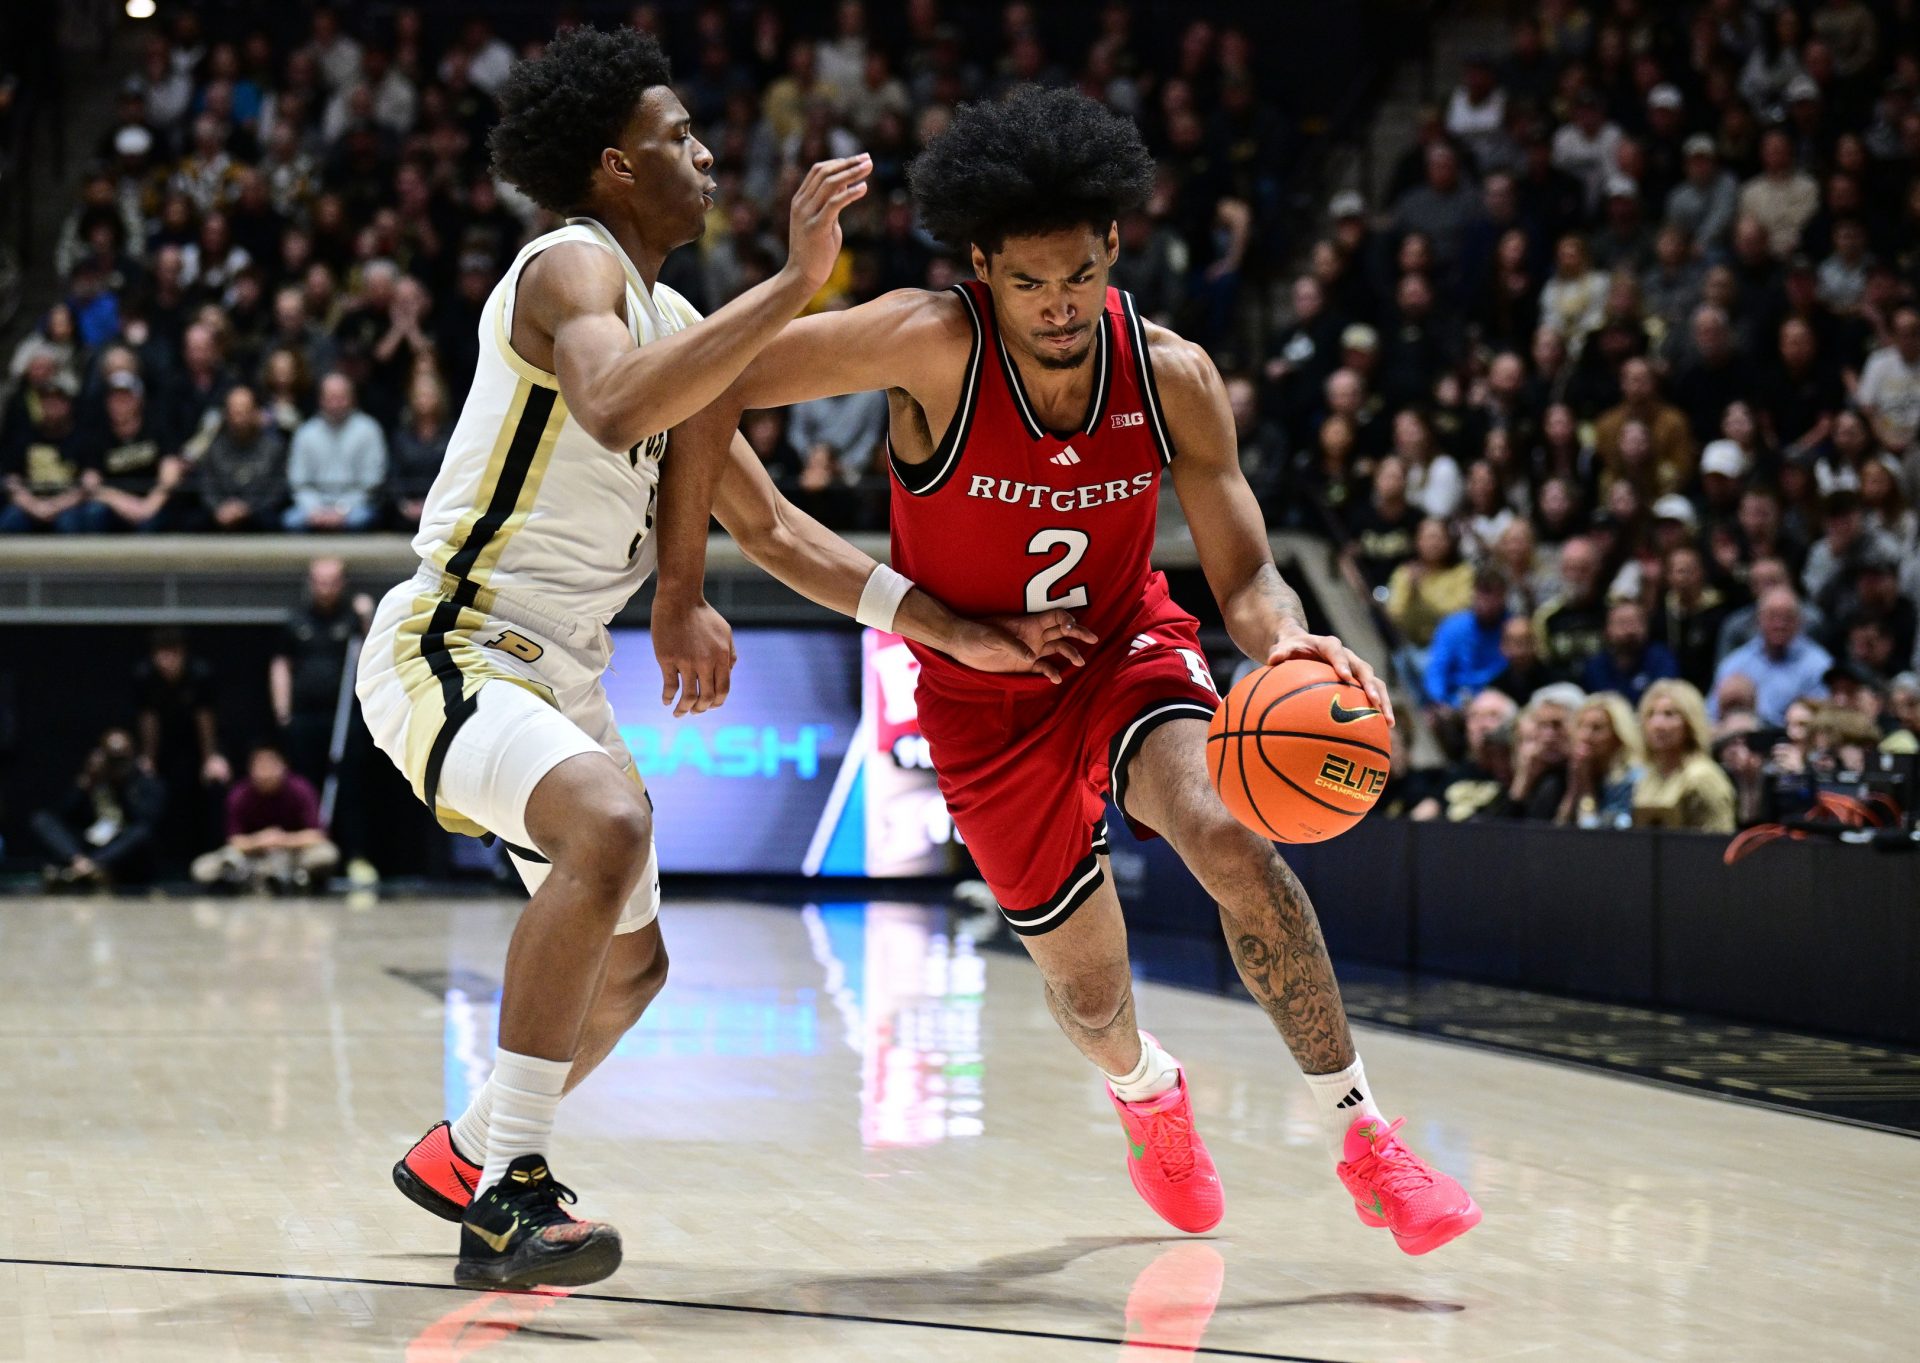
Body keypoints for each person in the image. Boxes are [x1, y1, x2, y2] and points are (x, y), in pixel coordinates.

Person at [358, 29, 1073, 1292]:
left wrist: (956, 631)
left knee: (632, 968)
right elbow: (619, 404)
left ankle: (465, 1152)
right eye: (678, 136)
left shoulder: (676, 315)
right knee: (609, 822)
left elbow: (778, 529)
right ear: (612, 166)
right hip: (454, 643)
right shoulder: (567, 264)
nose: (703, 153)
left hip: (555, 668)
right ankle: (512, 1192)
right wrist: (798, 281)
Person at [707, 85, 1477, 1255]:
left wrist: (1289, 638)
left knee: (1236, 842)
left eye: (1079, 275)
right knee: (1091, 996)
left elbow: (1251, 571)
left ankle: (1367, 1134)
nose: (1059, 306)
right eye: (1029, 283)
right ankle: (1147, 1095)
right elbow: (714, 377)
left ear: (1115, 246)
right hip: (977, 701)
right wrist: (795, 285)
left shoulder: (1172, 374)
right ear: (982, 265)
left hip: (1127, 651)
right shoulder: (928, 340)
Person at [132, 627, 229, 872]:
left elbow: (205, 718)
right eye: (161, 655)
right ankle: (158, 866)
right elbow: (148, 718)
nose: (167, 662)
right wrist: (148, 757)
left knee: (207, 789)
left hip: (195, 744)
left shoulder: (199, 674)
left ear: (183, 654)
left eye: (172, 655)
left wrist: (210, 757)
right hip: (164, 745)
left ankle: (205, 860)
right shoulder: (146, 675)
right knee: (154, 794)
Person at [190, 741, 339, 891]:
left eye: (271, 765)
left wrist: (283, 840)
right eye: (260, 766)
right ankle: (262, 878)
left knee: (326, 854)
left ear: (283, 766)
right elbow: (234, 841)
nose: (266, 772)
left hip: (293, 854)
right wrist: (260, 840)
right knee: (203, 867)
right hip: (254, 856)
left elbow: (317, 835)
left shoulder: (301, 789)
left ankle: (290, 877)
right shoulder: (239, 794)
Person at [30, 729, 166, 888]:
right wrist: (85, 784)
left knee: (140, 833)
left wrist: (122, 786)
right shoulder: (92, 777)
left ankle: (89, 868)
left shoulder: (145, 782)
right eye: (111, 758)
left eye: (121, 758)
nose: (116, 764)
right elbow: (65, 815)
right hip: (89, 843)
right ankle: (82, 866)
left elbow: (144, 822)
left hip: (121, 851)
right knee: (42, 819)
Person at [1711, 587, 1832, 724]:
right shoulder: (1735, 663)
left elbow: (1821, 720)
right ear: (1758, 620)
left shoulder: (1819, 665)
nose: (1779, 624)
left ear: (1800, 622)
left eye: (1787, 617)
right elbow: (1712, 714)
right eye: (1772, 616)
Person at [283, 372, 387, 530]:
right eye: (331, 397)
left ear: (352, 398)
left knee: (361, 519)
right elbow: (298, 482)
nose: (336, 403)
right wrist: (315, 510)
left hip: (355, 506)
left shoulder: (369, 430)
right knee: (291, 520)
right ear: (321, 399)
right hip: (313, 506)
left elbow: (372, 482)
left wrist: (342, 510)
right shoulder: (305, 432)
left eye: (341, 397)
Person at [1633, 679, 1738, 831]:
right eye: (1650, 714)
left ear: (1690, 723)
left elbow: (1718, 841)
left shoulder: (1702, 778)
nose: (1657, 724)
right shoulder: (1648, 777)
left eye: (1669, 714)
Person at [195, 386, 288, 531]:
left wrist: (247, 508)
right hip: (221, 515)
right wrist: (220, 508)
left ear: (255, 413)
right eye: (234, 412)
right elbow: (207, 487)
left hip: (260, 515)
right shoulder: (214, 448)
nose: (239, 418)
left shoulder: (274, 448)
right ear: (226, 414)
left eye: (244, 411)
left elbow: (277, 491)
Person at [1423, 567, 1511, 710]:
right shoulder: (1453, 626)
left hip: (1497, 700)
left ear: (1503, 597)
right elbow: (1437, 670)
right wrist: (1439, 699)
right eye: (1483, 593)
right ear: (1474, 593)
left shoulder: (1512, 627)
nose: (1487, 602)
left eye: (1494, 595)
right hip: (1456, 700)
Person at [1557, 692, 1644, 829]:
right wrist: (1575, 787)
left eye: (1596, 728)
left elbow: (1598, 835)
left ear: (1617, 736)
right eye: (1581, 726)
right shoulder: (1572, 769)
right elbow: (1558, 829)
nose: (1585, 735)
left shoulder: (1631, 779)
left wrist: (1585, 788)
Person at [1582, 598, 1679, 705]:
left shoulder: (1661, 658)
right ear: (1607, 629)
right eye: (1622, 623)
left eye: (1634, 622)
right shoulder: (1596, 666)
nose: (1629, 630)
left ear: (1646, 627)